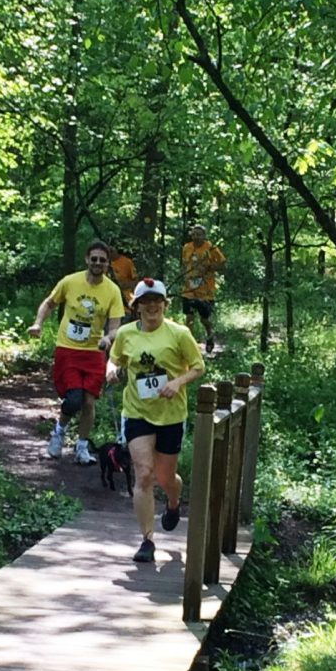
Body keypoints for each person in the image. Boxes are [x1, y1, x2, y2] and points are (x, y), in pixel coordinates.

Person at [106, 278, 205, 563]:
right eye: (145, 301)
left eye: (156, 300)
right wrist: (111, 369)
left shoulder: (179, 333)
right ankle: (147, 540)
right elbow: (116, 359)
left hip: (171, 414)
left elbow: (199, 367)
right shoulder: (125, 333)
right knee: (144, 473)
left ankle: (174, 501)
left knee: (164, 477)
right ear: (135, 307)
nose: (151, 306)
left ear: (164, 304)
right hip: (137, 411)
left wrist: (178, 382)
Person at [28, 240, 125, 465]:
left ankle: (81, 447)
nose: (98, 263)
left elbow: (115, 326)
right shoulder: (70, 281)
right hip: (68, 349)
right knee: (73, 399)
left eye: (102, 260)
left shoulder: (112, 290)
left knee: (89, 402)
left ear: (108, 264)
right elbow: (49, 303)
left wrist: (108, 338)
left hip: (93, 352)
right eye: (94, 259)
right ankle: (58, 433)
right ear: (87, 260)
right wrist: (38, 323)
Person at [180, 224, 226, 353]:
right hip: (189, 289)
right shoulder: (187, 247)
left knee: (204, 319)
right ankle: (187, 344)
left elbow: (222, 263)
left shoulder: (211, 248)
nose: (196, 237)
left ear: (204, 236)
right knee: (189, 317)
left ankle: (210, 336)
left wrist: (209, 268)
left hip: (206, 290)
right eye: (194, 234)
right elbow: (185, 264)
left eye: (199, 234)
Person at [109, 245, 138, 317]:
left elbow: (135, 280)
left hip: (125, 305)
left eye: (111, 251)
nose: (110, 253)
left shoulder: (127, 262)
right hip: (110, 304)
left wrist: (125, 285)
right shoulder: (105, 264)